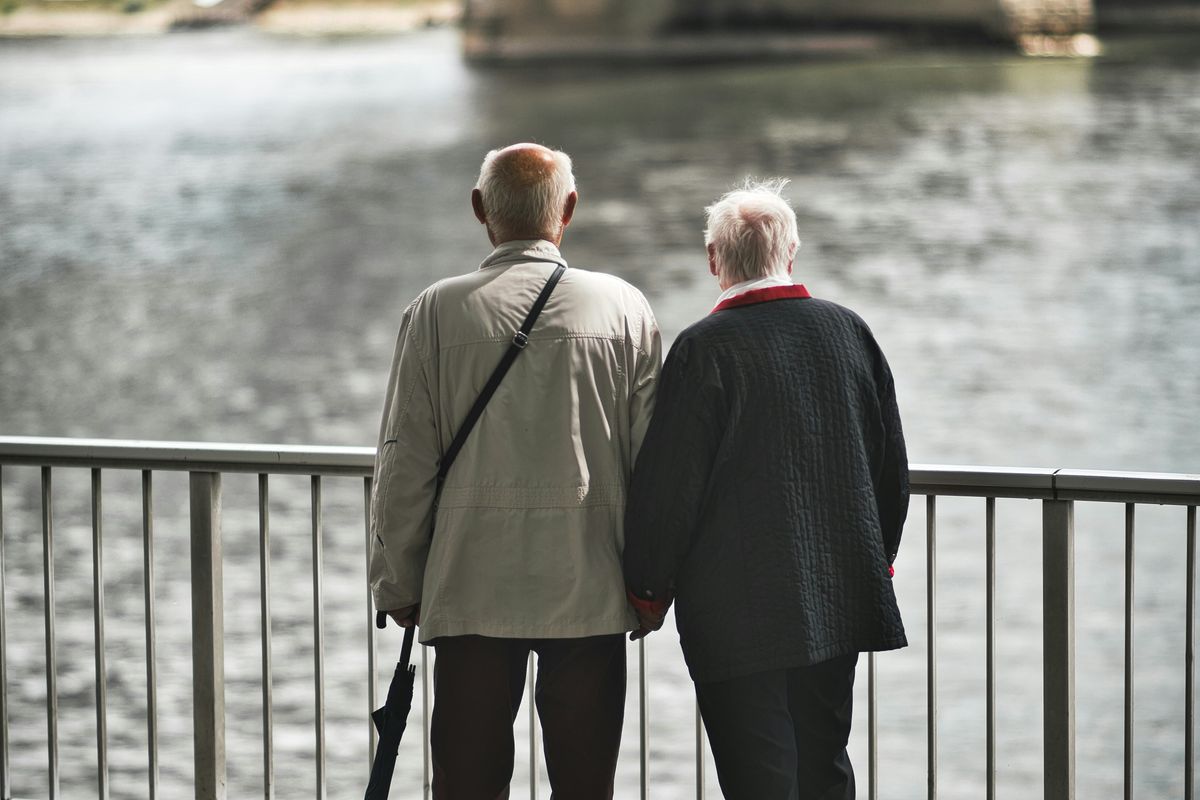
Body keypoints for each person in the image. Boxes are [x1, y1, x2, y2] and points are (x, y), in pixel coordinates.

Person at [368, 143, 661, 799]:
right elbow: (654, 464)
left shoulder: (435, 313)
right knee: (585, 787)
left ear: (480, 209)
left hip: (470, 584)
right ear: (570, 209)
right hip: (588, 584)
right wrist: (651, 583)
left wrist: (398, 579)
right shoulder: (623, 308)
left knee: (468, 786)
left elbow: (404, 459)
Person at [622, 179, 908, 800]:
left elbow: (669, 488)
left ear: (713, 260)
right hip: (836, 594)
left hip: (735, 609)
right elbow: (891, 467)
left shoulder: (702, 349)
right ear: (792, 250)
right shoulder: (849, 331)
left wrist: (647, 586)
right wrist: (875, 560)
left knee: (758, 776)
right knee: (825, 764)